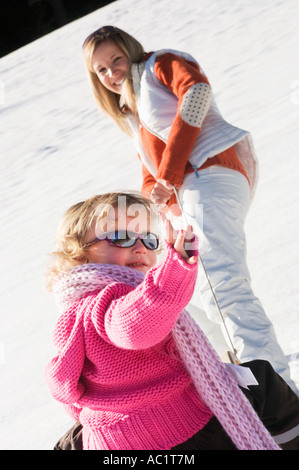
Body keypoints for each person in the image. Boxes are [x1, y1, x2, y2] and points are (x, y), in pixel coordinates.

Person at [81, 26, 296, 390]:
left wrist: (169, 174)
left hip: (208, 173)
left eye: (115, 60)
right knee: (189, 292)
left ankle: (277, 392)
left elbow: (196, 92)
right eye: (101, 70)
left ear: (130, 52)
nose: (111, 73)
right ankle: (241, 379)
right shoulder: (134, 109)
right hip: (194, 188)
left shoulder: (158, 65)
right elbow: (150, 171)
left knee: (224, 286)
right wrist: (154, 198)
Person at [45, 191, 299, 450]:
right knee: (261, 380)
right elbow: (136, 326)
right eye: (121, 237)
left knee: (71, 441)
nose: (140, 247)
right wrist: (176, 266)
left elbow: (65, 386)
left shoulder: (73, 314)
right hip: (181, 431)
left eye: (149, 240)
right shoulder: (114, 298)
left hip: (114, 440)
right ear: (78, 255)